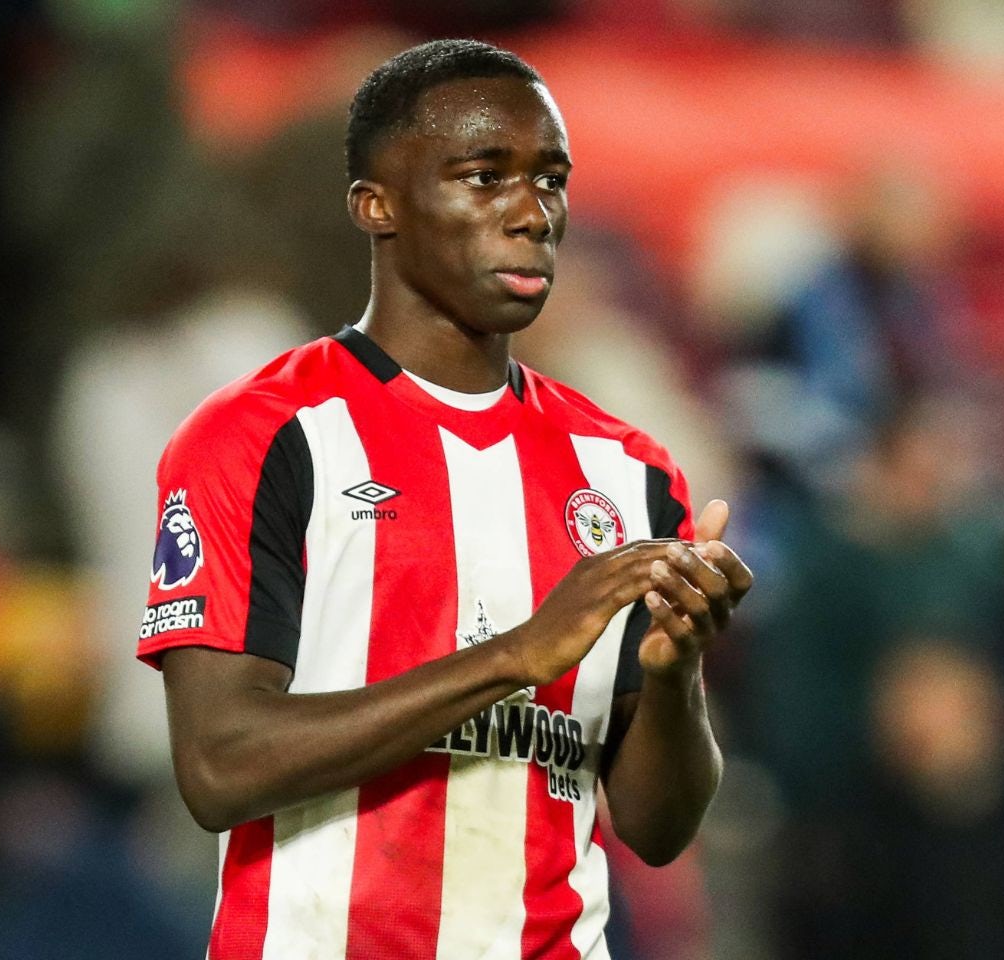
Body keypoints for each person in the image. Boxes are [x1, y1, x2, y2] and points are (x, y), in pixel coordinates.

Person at [138, 39, 753, 959]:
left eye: (550, 181)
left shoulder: (629, 472)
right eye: (484, 177)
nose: (531, 213)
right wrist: (514, 656)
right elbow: (219, 765)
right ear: (376, 205)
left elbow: (656, 829)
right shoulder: (262, 437)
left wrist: (673, 676)